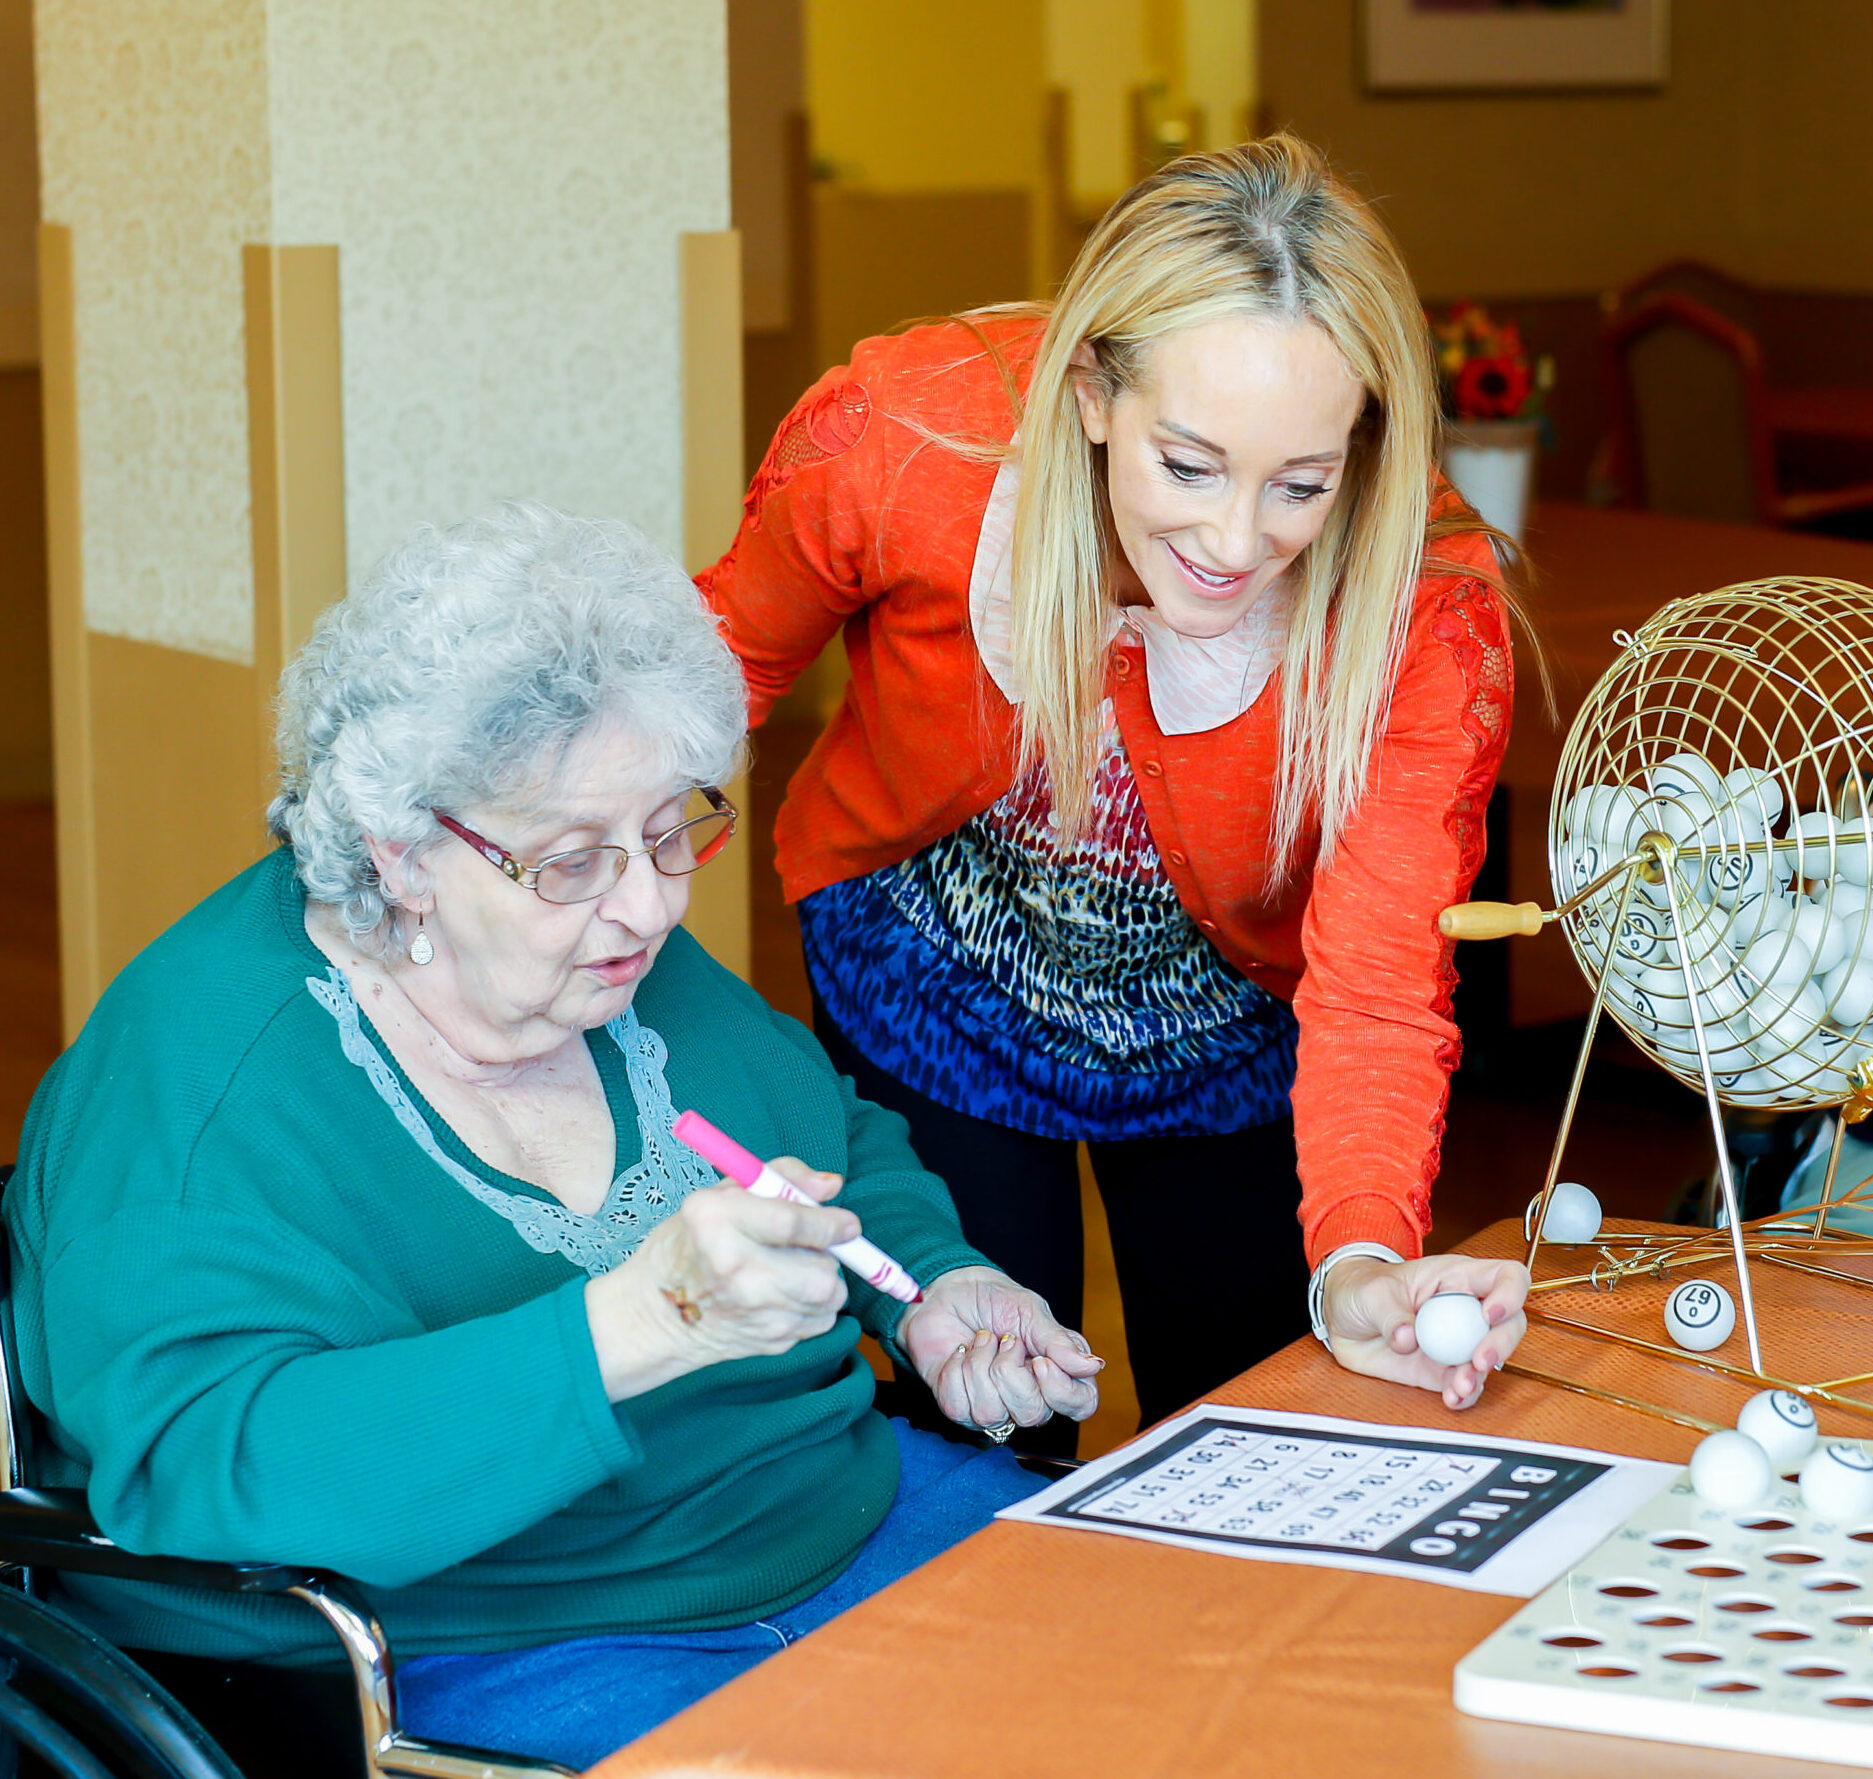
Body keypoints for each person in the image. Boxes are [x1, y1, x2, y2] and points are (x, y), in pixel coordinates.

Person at [2, 503, 1103, 1768]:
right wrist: (641, 1323)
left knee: (1209, 1678)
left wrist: (931, 1290)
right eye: (573, 859)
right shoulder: (199, 1090)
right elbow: (217, 1466)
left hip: (840, 1511)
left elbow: (826, 1133)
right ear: (401, 853)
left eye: (666, 830)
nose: (644, 904)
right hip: (489, 1635)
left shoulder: (604, 953)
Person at [701, 133, 1531, 1443]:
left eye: (1301, 484)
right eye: (1187, 464)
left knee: (1259, 1433)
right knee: (979, 1432)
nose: (1234, 540)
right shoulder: (901, 439)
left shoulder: (1428, 610)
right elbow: (704, 688)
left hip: (1231, 1030)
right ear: (1094, 391)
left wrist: (1364, 1257)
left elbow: (1378, 980)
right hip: (932, 974)